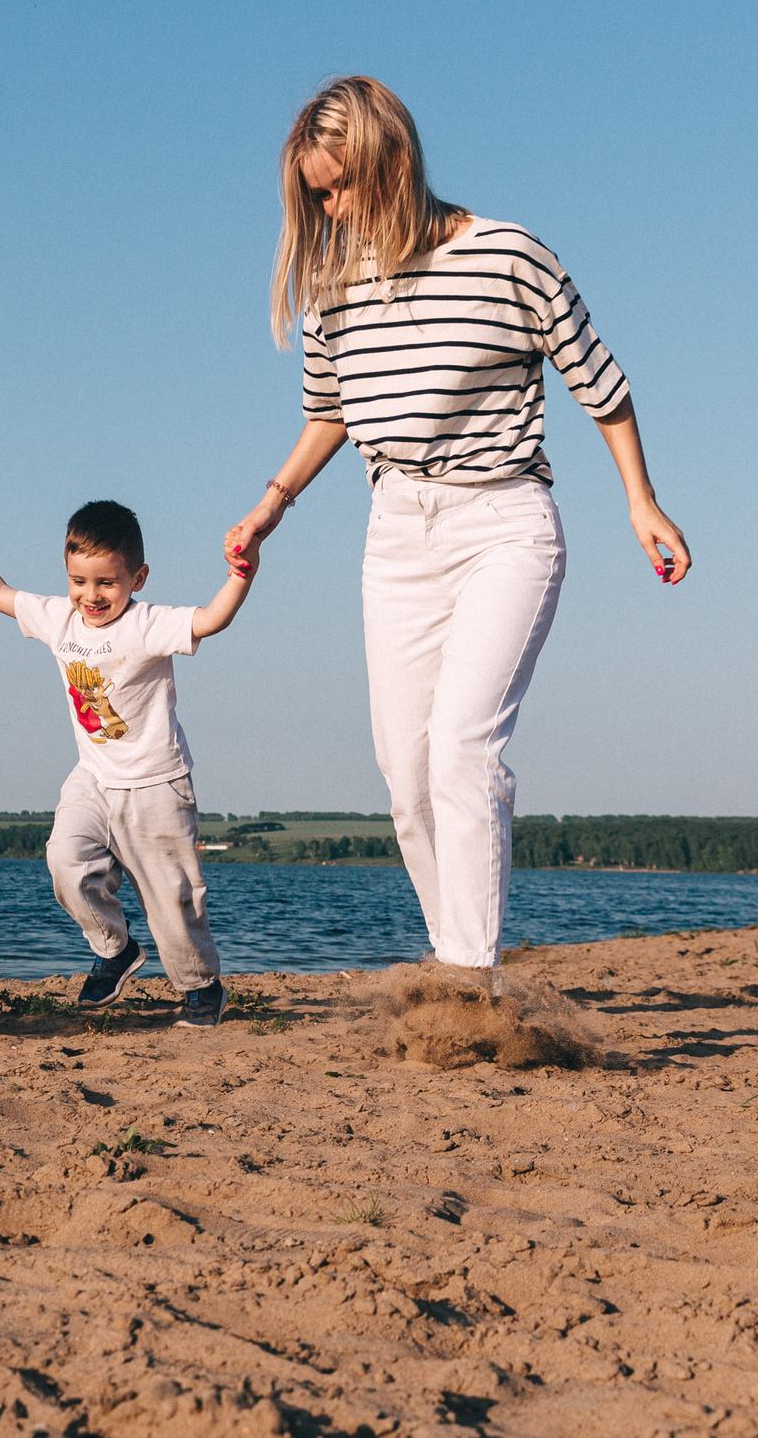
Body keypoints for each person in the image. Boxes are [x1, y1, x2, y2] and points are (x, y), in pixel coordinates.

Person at [226, 77, 691, 982]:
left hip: (503, 521)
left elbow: (602, 382)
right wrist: (269, 503)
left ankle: (471, 984)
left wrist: (641, 500)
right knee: (406, 778)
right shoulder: (332, 292)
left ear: (392, 160)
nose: (331, 207)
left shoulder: (509, 256)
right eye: (315, 194)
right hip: (396, 531)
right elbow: (330, 411)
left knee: (464, 748)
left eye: (341, 185)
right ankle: (457, 957)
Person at [0, 498, 263, 1030]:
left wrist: (242, 572)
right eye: (79, 581)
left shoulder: (147, 625)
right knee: (65, 860)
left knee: (173, 901)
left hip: (156, 785)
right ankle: (116, 948)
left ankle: (200, 989)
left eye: (106, 582)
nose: (91, 595)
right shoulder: (60, 619)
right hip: (94, 777)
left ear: (137, 578)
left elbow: (213, 619)